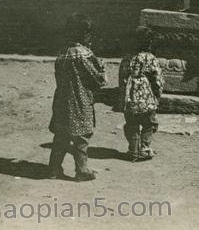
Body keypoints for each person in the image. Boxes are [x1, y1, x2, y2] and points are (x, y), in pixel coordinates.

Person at [48, 13, 107, 181]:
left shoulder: (63, 53)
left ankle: (53, 169)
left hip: (62, 100)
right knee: (82, 137)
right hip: (80, 101)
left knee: (61, 136)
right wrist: (102, 68)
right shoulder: (84, 54)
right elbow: (98, 79)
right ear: (85, 34)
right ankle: (82, 170)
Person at [118, 31, 163, 161]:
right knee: (149, 123)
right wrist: (158, 93)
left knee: (131, 124)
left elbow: (122, 77)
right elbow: (157, 78)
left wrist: (122, 95)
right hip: (146, 97)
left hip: (130, 97)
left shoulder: (127, 58)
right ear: (149, 43)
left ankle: (133, 149)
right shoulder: (151, 58)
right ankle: (144, 148)